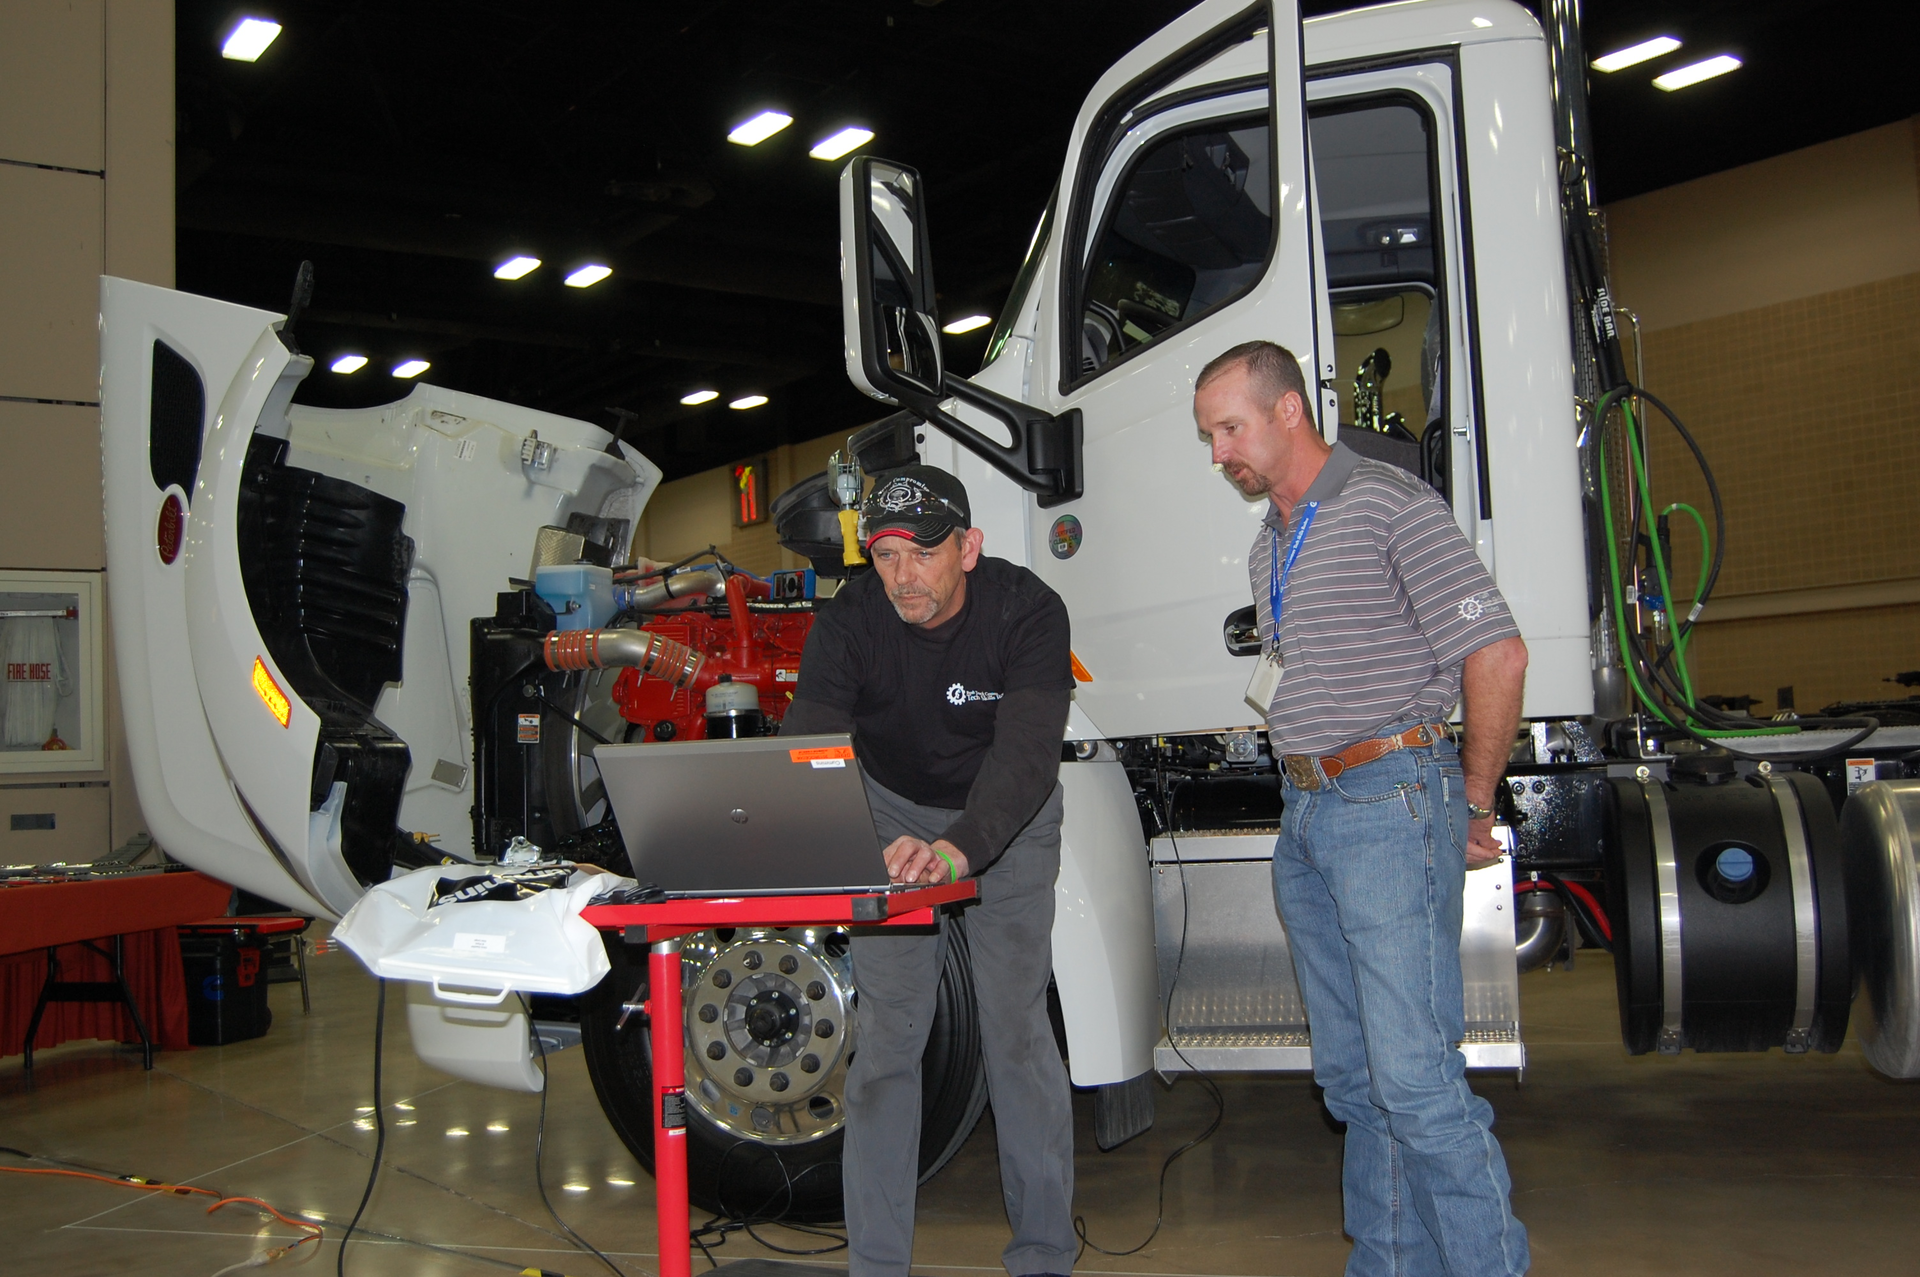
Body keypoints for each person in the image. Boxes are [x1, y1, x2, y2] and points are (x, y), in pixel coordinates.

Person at [1193, 340, 1531, 1277]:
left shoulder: (1387, 503)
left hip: (1388, 798)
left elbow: (1496, 650)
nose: (1219, 453)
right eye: (1209, 436)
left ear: (1289, 410)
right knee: (1353, 1081)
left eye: (1230, 428)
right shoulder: (1271, 543)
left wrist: (1468, 796)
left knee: (1418, 1082)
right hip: (1307, 813)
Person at [781, 464, 1078, 1277]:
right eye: (884, 556)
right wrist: (854, 836)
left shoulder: (1029, 612)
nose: (903, 577)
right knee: (887, 1040)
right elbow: (808, 746)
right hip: (886, 811)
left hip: (1004, 819)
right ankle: (877, 1265)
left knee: (1014, 1029)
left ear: (969, 546)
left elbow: (1025, 760)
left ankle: (1046, 1253)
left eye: (923, 553)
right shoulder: (850, 622)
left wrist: (956, 850)